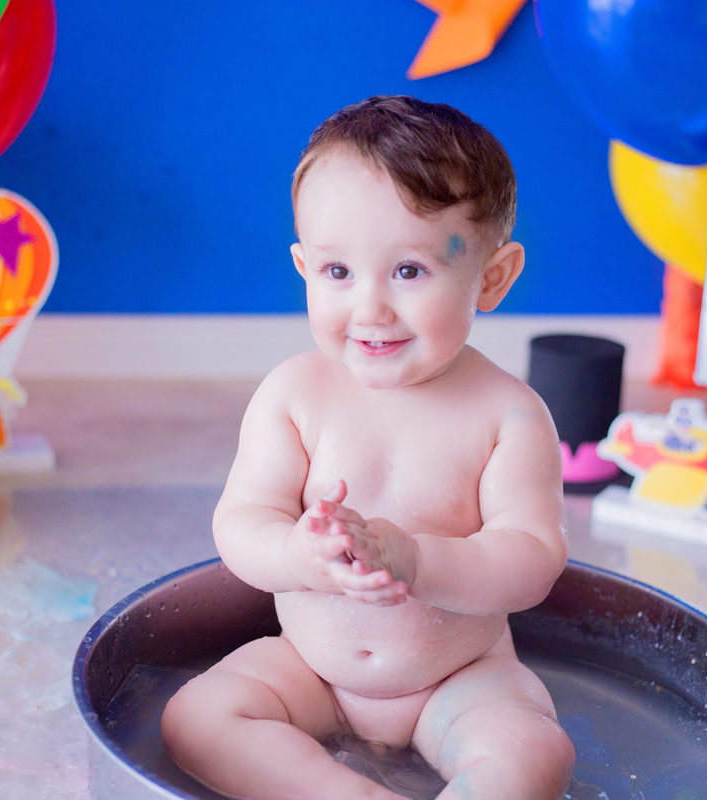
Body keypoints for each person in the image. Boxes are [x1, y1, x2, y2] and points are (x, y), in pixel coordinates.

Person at [161, 96, 574, 800]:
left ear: (493, 277)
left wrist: (415, 558)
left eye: (409, 271)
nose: (370, 309)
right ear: (303, 266)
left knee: (533, 754)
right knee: (194, 719)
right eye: (337, 273)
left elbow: (531, 561)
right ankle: (338, 793)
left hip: (462, 677)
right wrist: (301, 557)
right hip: (311, 671)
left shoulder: (510, 415)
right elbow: (241, 523)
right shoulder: (294, 395)